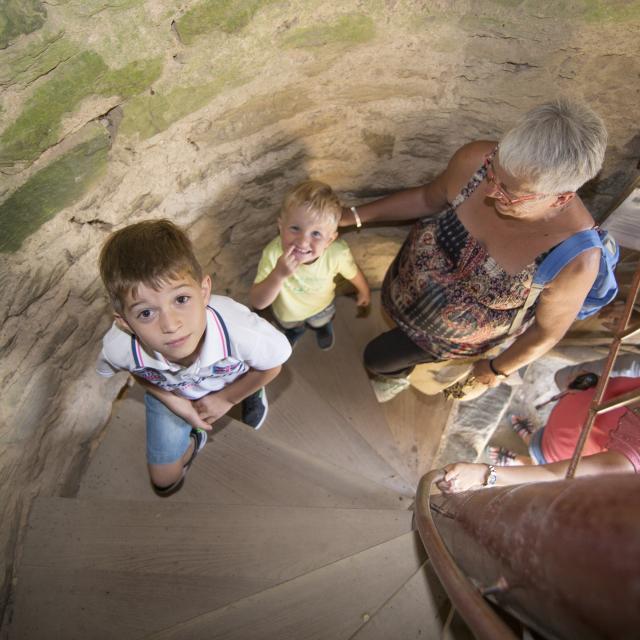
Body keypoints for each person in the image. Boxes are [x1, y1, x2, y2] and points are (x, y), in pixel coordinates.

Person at [341, 98, 608, 401]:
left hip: (446, 343)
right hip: (402, 288)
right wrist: (352, 216)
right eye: (493, 171)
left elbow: (546, 333)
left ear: (560, 199)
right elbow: (429, 199)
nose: (491, 190)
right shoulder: (476, 160)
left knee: (378, 359)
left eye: (510, 194)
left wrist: (496, 369)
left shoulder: (575, 261)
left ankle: (396, 378)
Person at [96, 220, 291, 496]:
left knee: (253, 371)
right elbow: (134, 369)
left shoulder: (242, 331)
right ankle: (195, 435)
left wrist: (228, 398)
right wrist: (176, 402)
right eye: (146, 313)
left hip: (231, 379)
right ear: (125, 323)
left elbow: (273, 364)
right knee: (165, 480)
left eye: (181, 300)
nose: (171, 325)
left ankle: (251, 392)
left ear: (204, 291)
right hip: (171, 390)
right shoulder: (120, 347)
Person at [438, 356, 640, 493]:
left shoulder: (632, 459)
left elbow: (554, 474)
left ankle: (523, 460)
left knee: (544, 456)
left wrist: (484, 474)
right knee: (542, 437)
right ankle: (530, 439)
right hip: (574, 415)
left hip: (567, 448)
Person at [250, 180, 371, 350]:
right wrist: (278, 275)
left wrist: (364, 291)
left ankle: (321, 328)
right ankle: (295, 331)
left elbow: (353, 273)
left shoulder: (337, 254)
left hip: (321, 307)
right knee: (291, 326)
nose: (303, 241)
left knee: (320, 320)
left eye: (316, 233)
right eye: (295, 228)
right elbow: (258, 302)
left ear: (329, 240)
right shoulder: (273, 254)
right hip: (288, 312)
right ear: (281, 226)